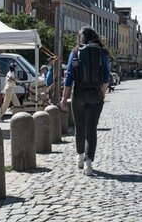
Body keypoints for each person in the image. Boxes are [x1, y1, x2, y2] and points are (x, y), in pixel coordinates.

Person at [60, 26, 110, 176]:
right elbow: (106, 75)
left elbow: (69, 77)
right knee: (91, 128)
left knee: (79, 126)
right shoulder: (101, 52)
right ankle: (89, 163)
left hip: (79, 93)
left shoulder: (75, 52)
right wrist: (102, 92)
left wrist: (64, 98)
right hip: (95, 92)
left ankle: (80, 156)